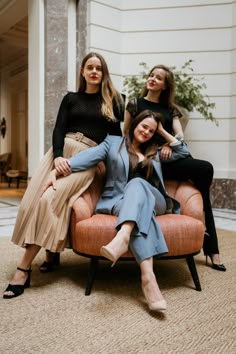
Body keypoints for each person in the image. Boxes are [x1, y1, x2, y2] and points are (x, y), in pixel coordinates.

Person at [40, 110, 189, 312]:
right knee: (140, 214)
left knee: (138, 183)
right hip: (118, 202)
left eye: (151, 130)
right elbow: (86, 158)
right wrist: (56, 171)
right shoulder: (112, 143)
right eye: (144, 126)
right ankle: (148, 278)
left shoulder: (156, 149)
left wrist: (162, 131)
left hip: (156, 201)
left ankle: (124, 236)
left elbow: (183, 152)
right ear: (135, 124)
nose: (146, 132)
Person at [3, 52, 125, 299]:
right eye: (89, 67)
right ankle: (51, 252)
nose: (93, 71)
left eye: (98, 68)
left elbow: (116, 141)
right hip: (59, 155)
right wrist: (58, 156)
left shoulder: (113, 101)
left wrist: (108, 170)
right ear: (82, 71)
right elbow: (58, 129)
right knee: (31, 203)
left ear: (103, 73)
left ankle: (23, 269)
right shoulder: (70, 98)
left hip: (87, 159)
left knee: (50, 200)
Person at [124, 64, 226, 272]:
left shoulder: (171, 110)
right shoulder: (134, 104)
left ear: (165, 86)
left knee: (204, 169)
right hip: (147, 160)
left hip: (168, 157)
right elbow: (126, 135)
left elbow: (181, 142)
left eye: (158, 78)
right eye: (151, 75)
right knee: (201, 171)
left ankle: (211, 247)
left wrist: (166, 142)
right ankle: (211, 249)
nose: (152, 79)